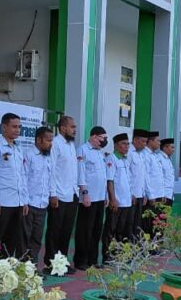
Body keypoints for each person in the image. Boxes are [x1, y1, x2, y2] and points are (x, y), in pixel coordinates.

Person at [0, 113, 28, 258]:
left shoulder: (18, 148)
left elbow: (22, 176)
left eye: (19, 127)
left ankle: (6, 269)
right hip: (2, 202)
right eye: (14, 127)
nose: (17, 130)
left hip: (17, 202)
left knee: (12, 240)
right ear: (4, 127)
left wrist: (24, 200)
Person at [44, 116, 79, 271]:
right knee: (54, 231)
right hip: (58, 194)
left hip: (71, 194)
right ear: (63, 128)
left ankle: (62, 263)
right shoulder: (56, 144)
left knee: (66, 231)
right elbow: (51, 170)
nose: (75, 130)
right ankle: (51, 263)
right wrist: (52, 193)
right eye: (72, 127)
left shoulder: (71, 145)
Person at [74, 126, 109, 270]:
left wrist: (106, 195)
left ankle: (92, 260)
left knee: (96, 230)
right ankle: (81, 261)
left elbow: (103, 176)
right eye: (103, 138)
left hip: (100, 197)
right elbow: (81, 173)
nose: (104, 141)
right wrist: (84, 193)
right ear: (94, 136)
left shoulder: (99, 153)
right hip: (88, 197)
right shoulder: (82, 150)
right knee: (84, 230)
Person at [24, 126, 54, 269]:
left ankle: (33, 268)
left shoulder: (48, 157)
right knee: (26, 237)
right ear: (38, 140)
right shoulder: (28, 155)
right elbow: (23, 179)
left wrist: (51, 196)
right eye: (48, 140)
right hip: (29, 204)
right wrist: (24, 202)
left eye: (51, 140)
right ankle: (24, 269)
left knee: (36, 238)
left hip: (42, 204)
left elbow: (50, 178)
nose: (50, 143)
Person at [102, 133, 134, 263]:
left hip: (126, 201)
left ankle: (118, 254)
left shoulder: (124, 159)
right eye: (123, 144)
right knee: (110, 230)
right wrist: (112, 199)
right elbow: (109, 181)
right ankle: (107, 256)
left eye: (128, 144)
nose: (126, 146)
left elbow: (127, 180)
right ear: (115, 145)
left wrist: (131, 194)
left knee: (122, 230)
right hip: (117, 201)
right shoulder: (111, 159)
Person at [143, 131, 165, 238]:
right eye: (158, 141)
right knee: (148, 224)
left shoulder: (155, 155)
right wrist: (150, 195)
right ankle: (148, 246)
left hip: (158, 195)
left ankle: (155, 244)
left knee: (157, 223)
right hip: (151, 197)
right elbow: (146, 177)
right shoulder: (145, 155)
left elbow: (159, 177)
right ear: (150, 141)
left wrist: (162, 194)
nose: (159, 143)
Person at [128, 129, 150, 236]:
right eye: (143, 141)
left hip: (140, 195)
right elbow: (127, 176)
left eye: (146, 142)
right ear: (135, 140)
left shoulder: (141, 154)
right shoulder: (129, 153)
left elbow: (143, 176)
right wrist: (130, 193)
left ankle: (135, 244)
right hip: (131, 196)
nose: (145, 144)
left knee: (137, 223)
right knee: (129, 223)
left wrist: (144, 193)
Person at [160, 138, 176, 205]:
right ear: (165, 148)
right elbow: (159, 178)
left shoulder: (168, 160)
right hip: (163, 196)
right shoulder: (159, 158)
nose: (173, 150)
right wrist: (162, 194)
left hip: (169, 195)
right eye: (172, 147)